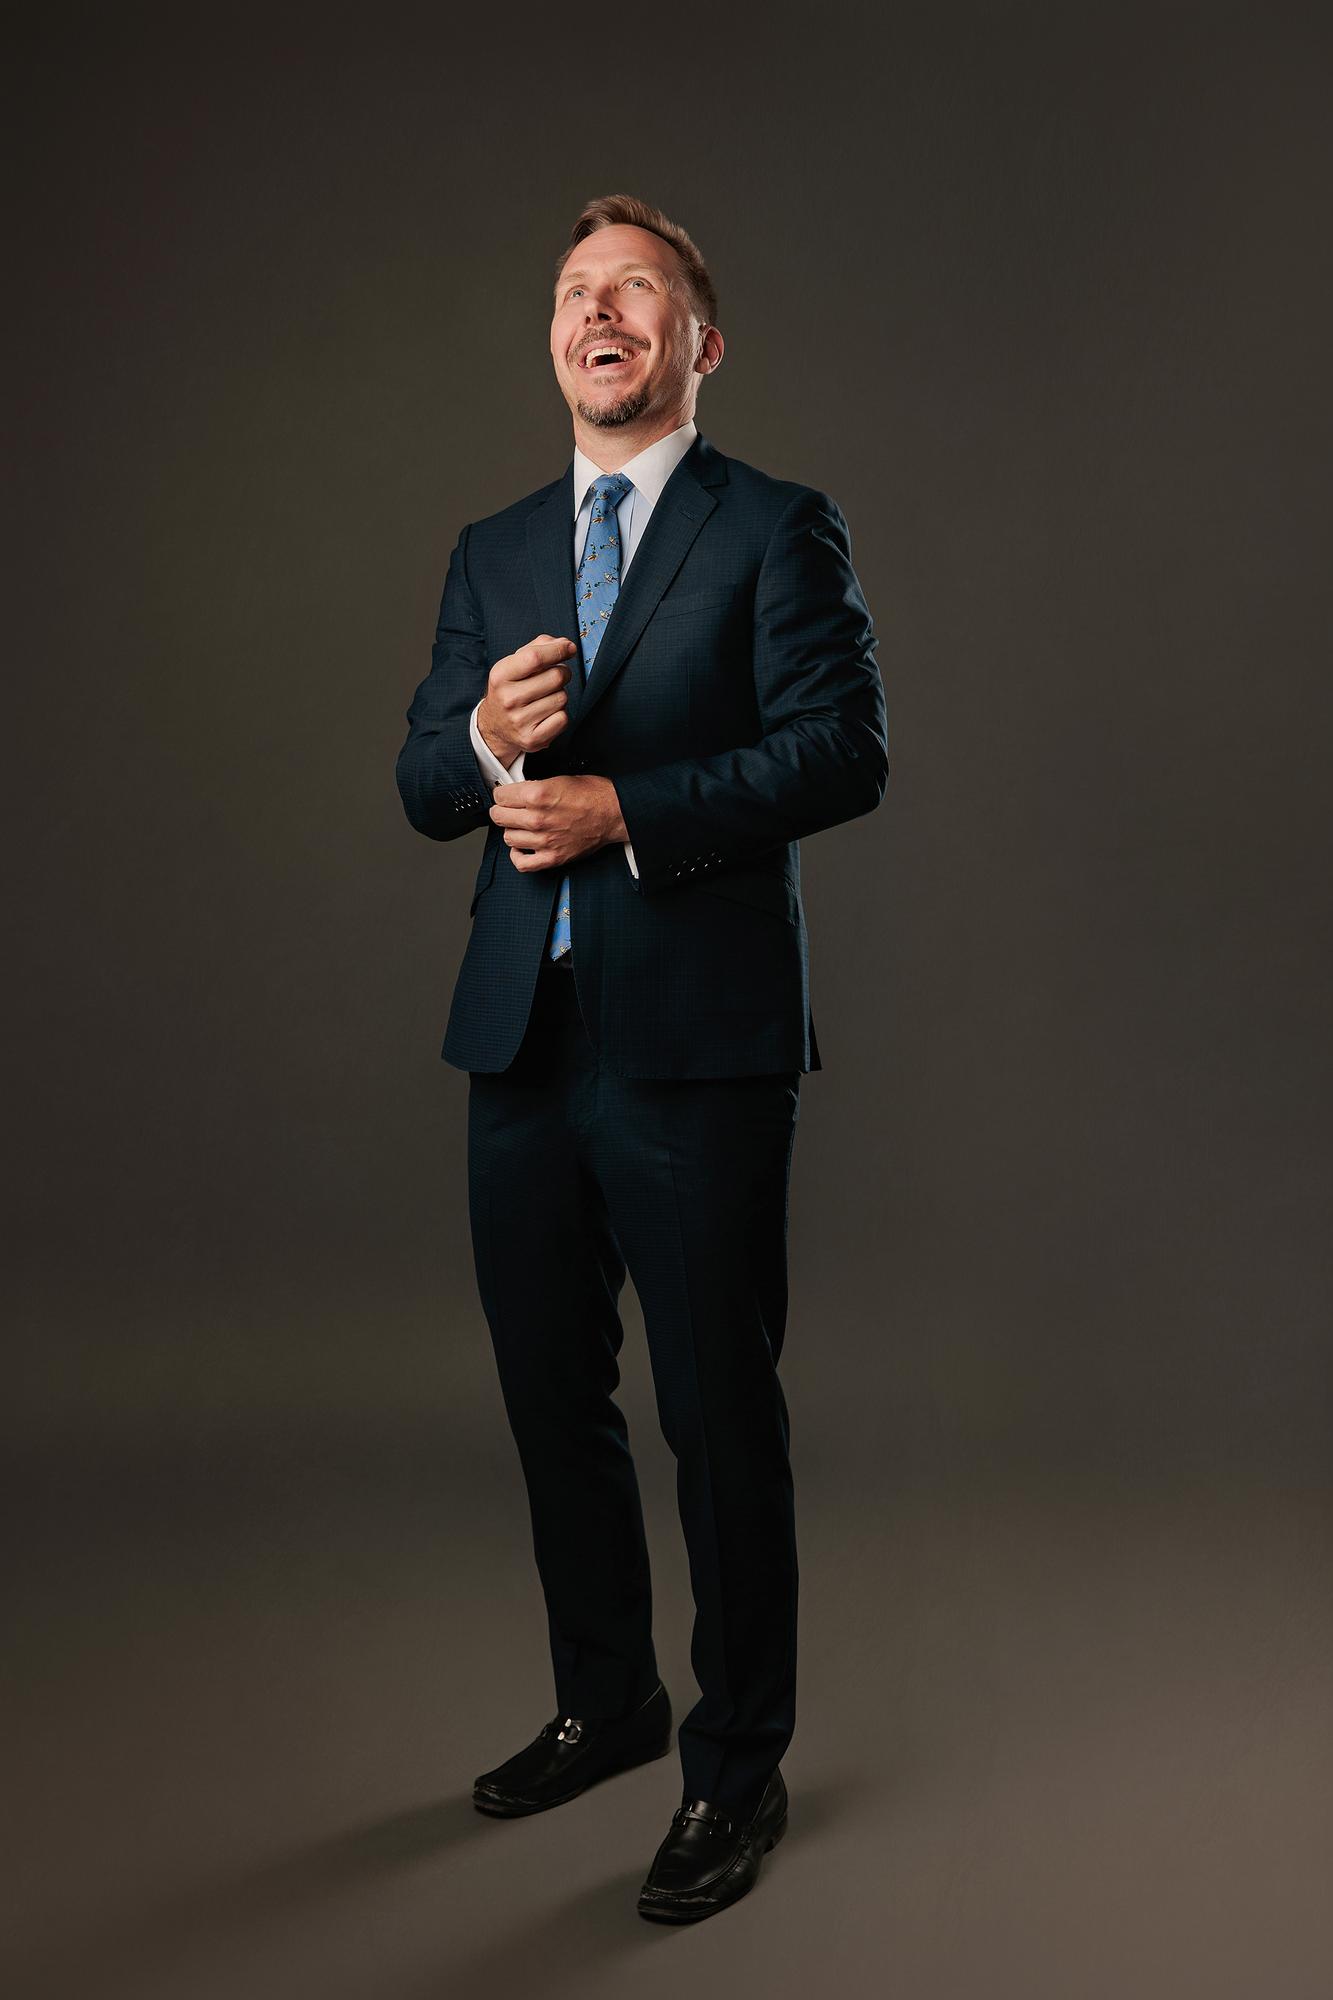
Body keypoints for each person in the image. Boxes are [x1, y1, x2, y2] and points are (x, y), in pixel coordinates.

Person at [395, 193, 886, 1924]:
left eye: (634, 293)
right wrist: (476, 736)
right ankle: (606, 1702)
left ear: (698, 343)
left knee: (713, 1414)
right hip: (517, 1038)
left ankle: (732, 1771)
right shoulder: (494, 545)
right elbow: (416, 781)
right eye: (570, 293)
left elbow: (843, 752)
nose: (595, 313)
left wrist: (630, 810)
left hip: (694, 1048)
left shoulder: (775, 528)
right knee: (550, 1397)